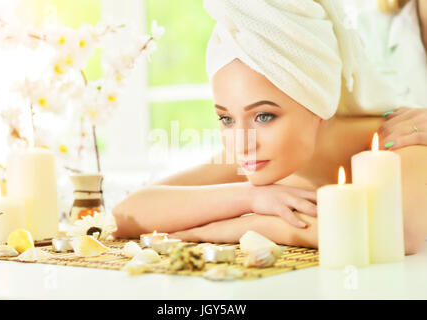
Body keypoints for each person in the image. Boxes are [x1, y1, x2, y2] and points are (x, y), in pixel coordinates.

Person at [112, 0, 427, 254]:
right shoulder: (256, 158)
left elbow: (398, 234)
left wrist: (249, 226)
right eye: (226, 119)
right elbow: (127, 214)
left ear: (319, 101)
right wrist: (250, 198)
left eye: (264, 116)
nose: (242, 144)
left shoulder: (399, 143)